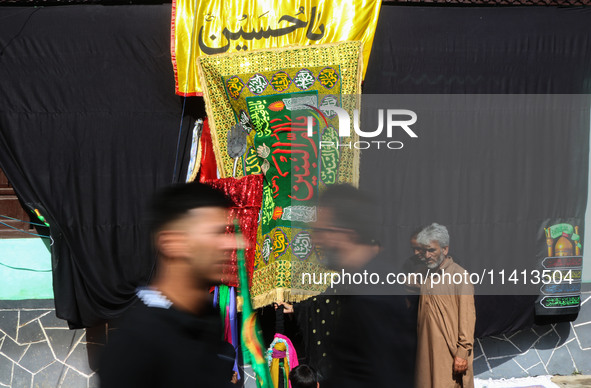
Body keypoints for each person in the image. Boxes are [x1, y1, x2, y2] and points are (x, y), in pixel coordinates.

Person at [99, 182, 238, 388]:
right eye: (216, 234)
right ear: (173, 242)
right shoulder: (136, 344)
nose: (234, 244)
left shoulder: (206, 317)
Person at [280, 184, 414, 387]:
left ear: (346, 233)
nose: (316, 240)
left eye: (322, 231)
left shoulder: (373, 293)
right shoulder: (356, 282)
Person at [415, 223, 476, 388]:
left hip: (449, 356)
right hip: (425, 354)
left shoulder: (460, 276)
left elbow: (467, 318)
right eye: (424, 251)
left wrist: (462, 353)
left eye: (431, 250)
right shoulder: (426, 276)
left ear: (445, 249)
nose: (427, 255)